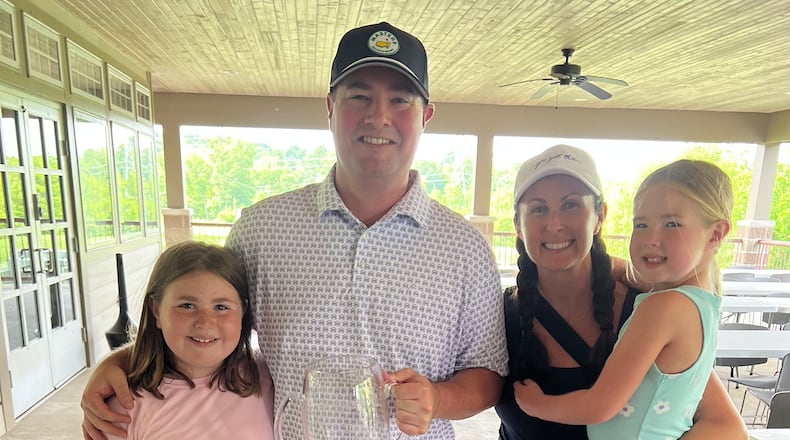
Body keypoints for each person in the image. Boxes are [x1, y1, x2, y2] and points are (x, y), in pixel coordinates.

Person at [81, 22, 507, 440]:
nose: (379, 116)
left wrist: (437, 397)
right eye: (359, 96)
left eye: (400, 100)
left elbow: (489, 374)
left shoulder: (464, 248)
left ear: (425, 115)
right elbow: (209, 327)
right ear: (330, 108)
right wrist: (122, 362)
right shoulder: (262, 230)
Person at [495, 145, 748, 439]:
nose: (555, 223)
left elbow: (727, 427)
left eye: (571, 205)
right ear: (517, 225)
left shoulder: (647, 307)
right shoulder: (501, 314)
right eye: (538, 209)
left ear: (600, 216)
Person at [105, 241, 274, 440]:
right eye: (187, 305)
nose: (205, 322)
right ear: (156, 310)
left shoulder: (269, 377)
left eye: (221, 307)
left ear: (243, 312)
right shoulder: (125, 408)